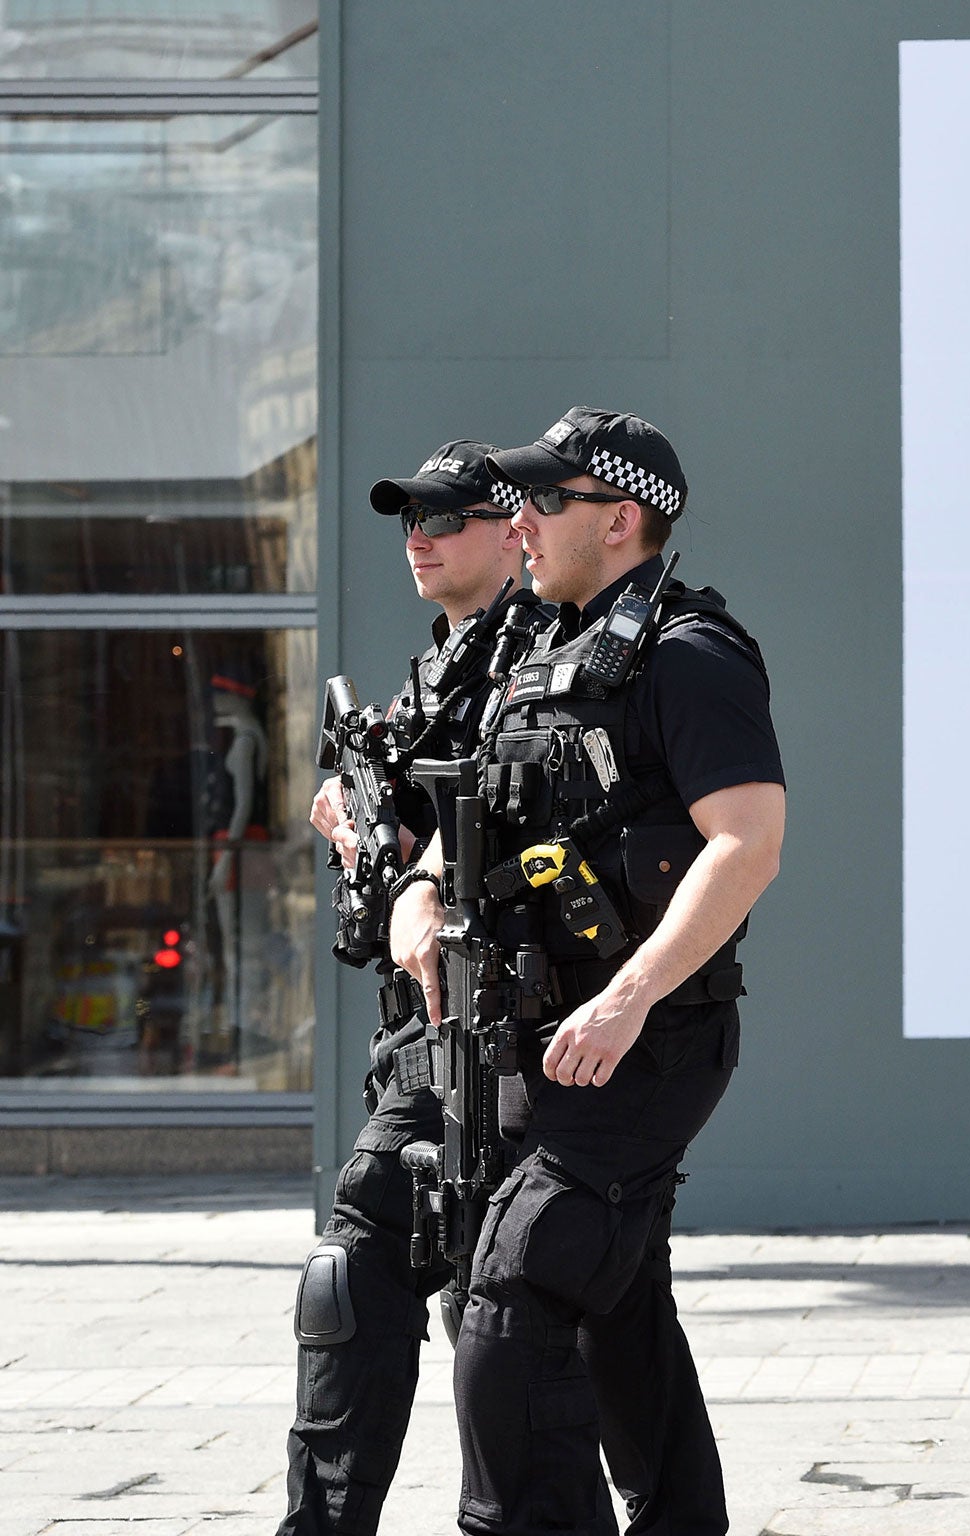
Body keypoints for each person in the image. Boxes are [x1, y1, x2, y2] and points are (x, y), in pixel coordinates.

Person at [387, 406, 785, 1536]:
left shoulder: (686, 654)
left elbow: (746, 843)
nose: (520, 517)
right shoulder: (535, 653)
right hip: (527, 1038)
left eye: (543, 500)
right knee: (617, 1313)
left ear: (619, 521)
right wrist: (417, 890)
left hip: (638, 1044)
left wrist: (628, 993)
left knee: (511, 1302)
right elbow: (459, 816)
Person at [280, 440, 525, 1536]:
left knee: (430, 1277)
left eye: (445, 517)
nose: (417, 537)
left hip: (498, 1023)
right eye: (407, 519)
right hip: (418, 1023)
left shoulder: (537, 655)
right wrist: (347, 813)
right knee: (416, 1277)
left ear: (512, 530)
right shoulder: (441, 662)